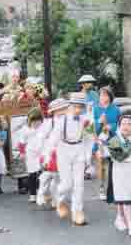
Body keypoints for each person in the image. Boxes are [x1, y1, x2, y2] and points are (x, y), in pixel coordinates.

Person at [49, 92, 93, 226]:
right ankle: (60, 199)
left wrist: (88, 158)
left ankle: (77, 212)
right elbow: (53, 138)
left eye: (81, 107)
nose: (78, 110)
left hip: (79, 150)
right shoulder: (62, 121)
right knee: (67, 183)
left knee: (79, 184)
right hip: (64, 151)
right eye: (76, 106)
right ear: (70, 106)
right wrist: (47, 155)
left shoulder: (86, 121)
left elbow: (89, 139)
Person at [37, 98, 68, 210]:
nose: (62, 111)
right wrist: (43, 153)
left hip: (64, 152)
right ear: (54, 111)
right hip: (50, 152)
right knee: (47, 176)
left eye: (64, 109)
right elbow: (41, 137)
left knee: (58, 178)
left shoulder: (68, 121)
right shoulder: (50, 122)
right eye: (59, 109)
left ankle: (56, 199)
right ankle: (41, 192)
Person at [91, 86, 120, 200]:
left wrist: (109, 126)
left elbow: (119, 125)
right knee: (101, 164)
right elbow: (91, 127)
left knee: (113, 166)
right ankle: (101, 187)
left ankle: (113, 188)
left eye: (105, 95)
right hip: (100, 141)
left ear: (110, 97)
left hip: (113, 140)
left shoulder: (116, 109)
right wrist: (99, 122)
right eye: (101, 95)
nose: (103, 97)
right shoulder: (96, 109)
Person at [18, 107, 44, 203]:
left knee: (43, 174)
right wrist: (22, 152)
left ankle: (43, 193)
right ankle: (33, 194)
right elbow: (21, 143)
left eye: (38, 121)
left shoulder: (44, 127)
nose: (36, 124)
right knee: (32, 174)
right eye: (34, 122)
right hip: (31, 154)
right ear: (29, 121)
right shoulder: (25, 129)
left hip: (43, 153)